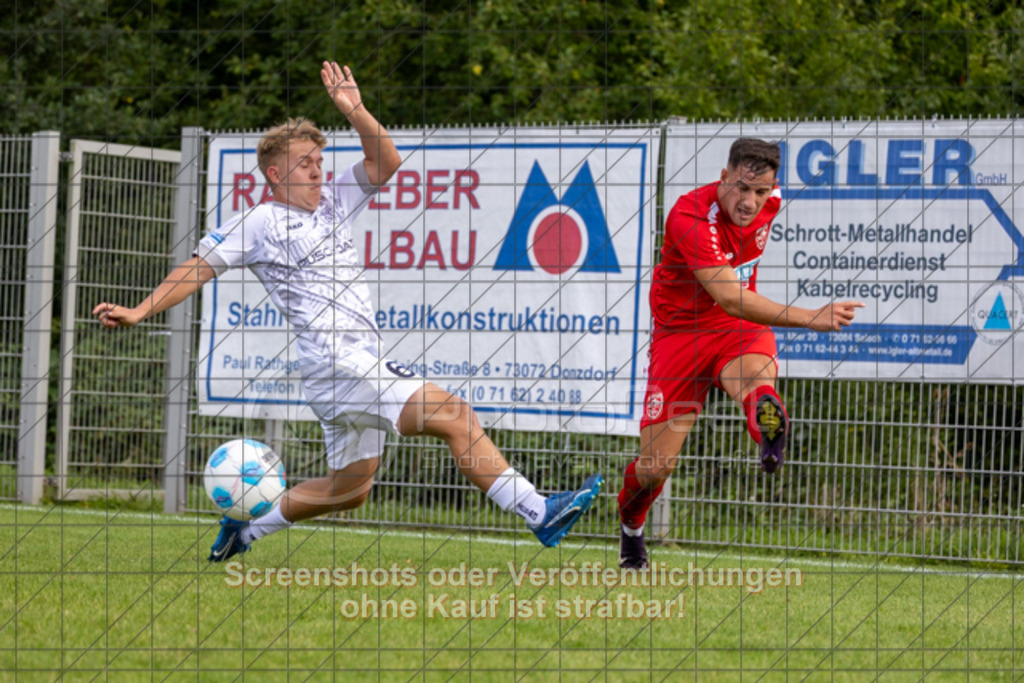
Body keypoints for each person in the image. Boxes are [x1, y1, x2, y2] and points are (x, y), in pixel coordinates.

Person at [94, 61, 602, 562]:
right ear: (275, 174)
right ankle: (540, 512)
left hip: (343, 367)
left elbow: (387, 163)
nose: (318, 171)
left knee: (349, 490)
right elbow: (197, 268)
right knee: (453, 414)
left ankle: (245, 533)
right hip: (340, 365)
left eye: (319, 161)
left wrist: (355, 110)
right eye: (304, 164)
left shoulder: (334, 199)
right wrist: (140, 309)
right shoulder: (261, 221)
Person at [616, 138, 863, 569]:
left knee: (755, 385)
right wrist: (811, 317)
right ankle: (632, 529)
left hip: (738, 329)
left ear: (773, 188)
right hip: (682, 336)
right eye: (742, 188)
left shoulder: (771, 198)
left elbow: (735, 309)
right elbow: (730, 297)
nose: (750, 202)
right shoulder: (690, 215)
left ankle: (767, 418)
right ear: (724, 176)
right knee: (655, 468)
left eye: (762, 192)